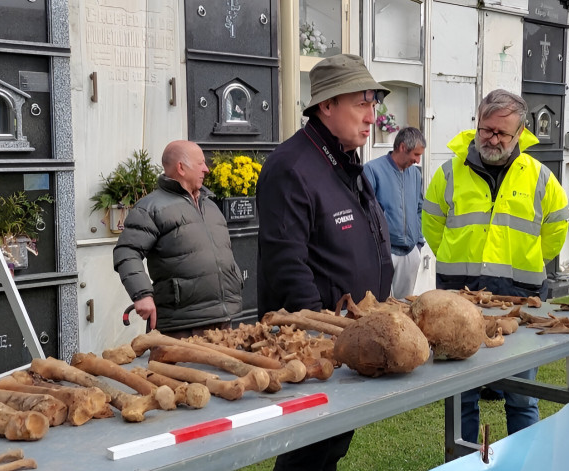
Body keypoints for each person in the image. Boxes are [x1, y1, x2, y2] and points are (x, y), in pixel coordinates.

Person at [255, 54, 394, 471]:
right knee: (308, 450)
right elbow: (287, 263)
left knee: (330, 446)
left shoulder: (347, 164)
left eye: (374, 103)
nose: (373, 116)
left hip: (351, 335)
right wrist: (324, 341)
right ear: (327, 105)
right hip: (319, 345)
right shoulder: (292, 167)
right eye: (362, 103)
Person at [422, 89, 569, 444]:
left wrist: (522, 266)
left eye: (503, 133)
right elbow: (432, 227)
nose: (493, 139)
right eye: (487, 129)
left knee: (521, 398)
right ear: (477, 124)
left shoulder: (541, 179)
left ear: (520, 134)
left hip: (520, 304)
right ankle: (464, 466)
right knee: (462, 398)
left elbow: (554, 233)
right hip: (459, 302)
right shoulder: (448, 173)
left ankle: (525, 464)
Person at [113, 140, 242, 338]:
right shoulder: (149, 208)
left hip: (223, 320)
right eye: (200, 164)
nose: (206, 169)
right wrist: (142, 294)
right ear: (181, 168)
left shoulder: (211, 205)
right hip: (181, 325)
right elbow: (126, 251)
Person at [363, 127, 426, 299]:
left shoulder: (415, 174)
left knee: (405, 308)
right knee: (382, 307)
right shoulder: (372, 170)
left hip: (410, 253)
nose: (418, 160)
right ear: (403, 147)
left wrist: (418, 243)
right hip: (384, 253)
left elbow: (420, 208)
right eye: (416, 154)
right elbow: (364, 213)